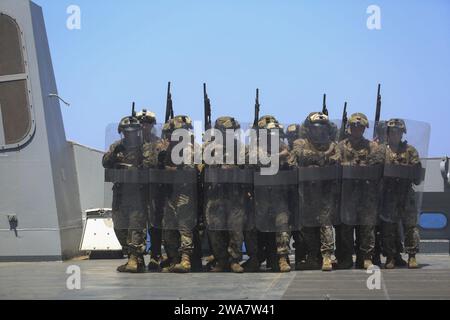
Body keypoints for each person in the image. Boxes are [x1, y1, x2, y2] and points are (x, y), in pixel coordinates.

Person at [289, 112, 340, 271]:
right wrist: (324, 155)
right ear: (309, 129)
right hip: (305, 193)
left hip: (325, 192)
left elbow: (336, 159)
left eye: (322, 128)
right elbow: (300, 155)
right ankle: (312, 256)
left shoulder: (333, 144)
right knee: (307, 227)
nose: (319, 132)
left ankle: (326, 257)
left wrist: (318, 160)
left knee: (325, 224)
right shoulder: (300, 142)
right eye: (316, 128)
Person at [203, 116, 253, 273]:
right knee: (215, 230)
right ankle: (221, 260)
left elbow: (248, 164)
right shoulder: (208, 147)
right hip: (215, 195)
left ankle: (234, 260)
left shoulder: (241, 148)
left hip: (235, 195)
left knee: (235, 229)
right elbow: (201, 165)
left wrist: (233, 166)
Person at [336, 113, 384, 270]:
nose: (357, 129)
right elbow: (334, 165)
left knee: (367, 227)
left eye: (360, 127)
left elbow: (379, 164)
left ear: (364, 129)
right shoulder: (340, 146)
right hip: (347, 195)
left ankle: (366, 258)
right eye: (354, 126)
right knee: (346, 229)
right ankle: (347, 258)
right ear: (349, 128)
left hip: (367, 195)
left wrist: (365, 166)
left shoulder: (373, 146)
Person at [102, 115, 146, 273]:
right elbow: (105, 162)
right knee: (119, 226)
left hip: (137, 194)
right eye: (127, 132)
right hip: (120, 193)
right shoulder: (117, 146)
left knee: (135, 226)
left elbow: (151, 167)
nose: (130, 135)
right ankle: (132, 258)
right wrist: (114, 155)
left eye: (133, 132)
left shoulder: (144, 148)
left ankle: (134, 259)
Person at [158, 115, 199, 273]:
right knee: (168, 228)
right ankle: (174, 259)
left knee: (184, 227)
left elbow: (188, 170)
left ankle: (185, 260)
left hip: (184, 193)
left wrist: (169, 170)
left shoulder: (188, 147)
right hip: (170, 193)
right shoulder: (169, 148)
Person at [380, 118, 422, 269]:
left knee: (410, 226)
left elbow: (417, 175)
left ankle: (412, 255)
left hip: (405, 194)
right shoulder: (381, 151)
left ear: (402, 133)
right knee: (388, 228)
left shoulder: (410, 151)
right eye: (392, 132)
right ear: (388, 133)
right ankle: (391, 256)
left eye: (398, 132)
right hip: (388, 195)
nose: (395, 135)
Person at [253, 115, 292, 272]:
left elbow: (292, 162)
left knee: (282, 226)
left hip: (279, 196)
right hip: (260, 198)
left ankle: (282, 259)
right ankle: (256, 258)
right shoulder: (255, 147)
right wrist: (279, 156)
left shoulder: (283, 146)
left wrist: (282, 156)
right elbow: (258, 160)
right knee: (257, 232)